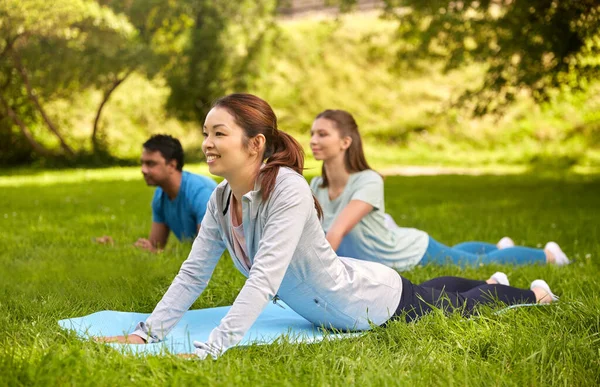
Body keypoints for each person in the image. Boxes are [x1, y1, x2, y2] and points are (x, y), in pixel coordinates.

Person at [101, 94, 558, 359]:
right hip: (350, 293)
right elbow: (193, 272)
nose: (207, 143)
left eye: (219, 133)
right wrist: (147, 332)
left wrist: (211, 348)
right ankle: (492, 277)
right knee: (433, 291)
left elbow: (265, 278)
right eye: (206, 132)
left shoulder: (289, 189)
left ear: (255, 143)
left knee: (456, 305)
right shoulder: (221, 201)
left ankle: (530, 294)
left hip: (367, 303)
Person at [309, 109, 570, 271]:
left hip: (405, 254)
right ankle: (498, 245)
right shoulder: (316, 186)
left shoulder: (368, 181)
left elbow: (337, 231)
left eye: (322, 134)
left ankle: (550, 255)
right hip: (376, 256)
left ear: (345, 142)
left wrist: (314, 272)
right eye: (312, 134)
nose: (313, 140)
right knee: (457, 252)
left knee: (476, 264)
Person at [97, 135, 217, 252]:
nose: (143, 170)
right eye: (142, 163)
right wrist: (116, 246)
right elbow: (155, 246)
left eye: (151, 164)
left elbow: (207, 249)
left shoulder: (201, 193)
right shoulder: (161, 195)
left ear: (171, 165)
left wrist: (157, 251)